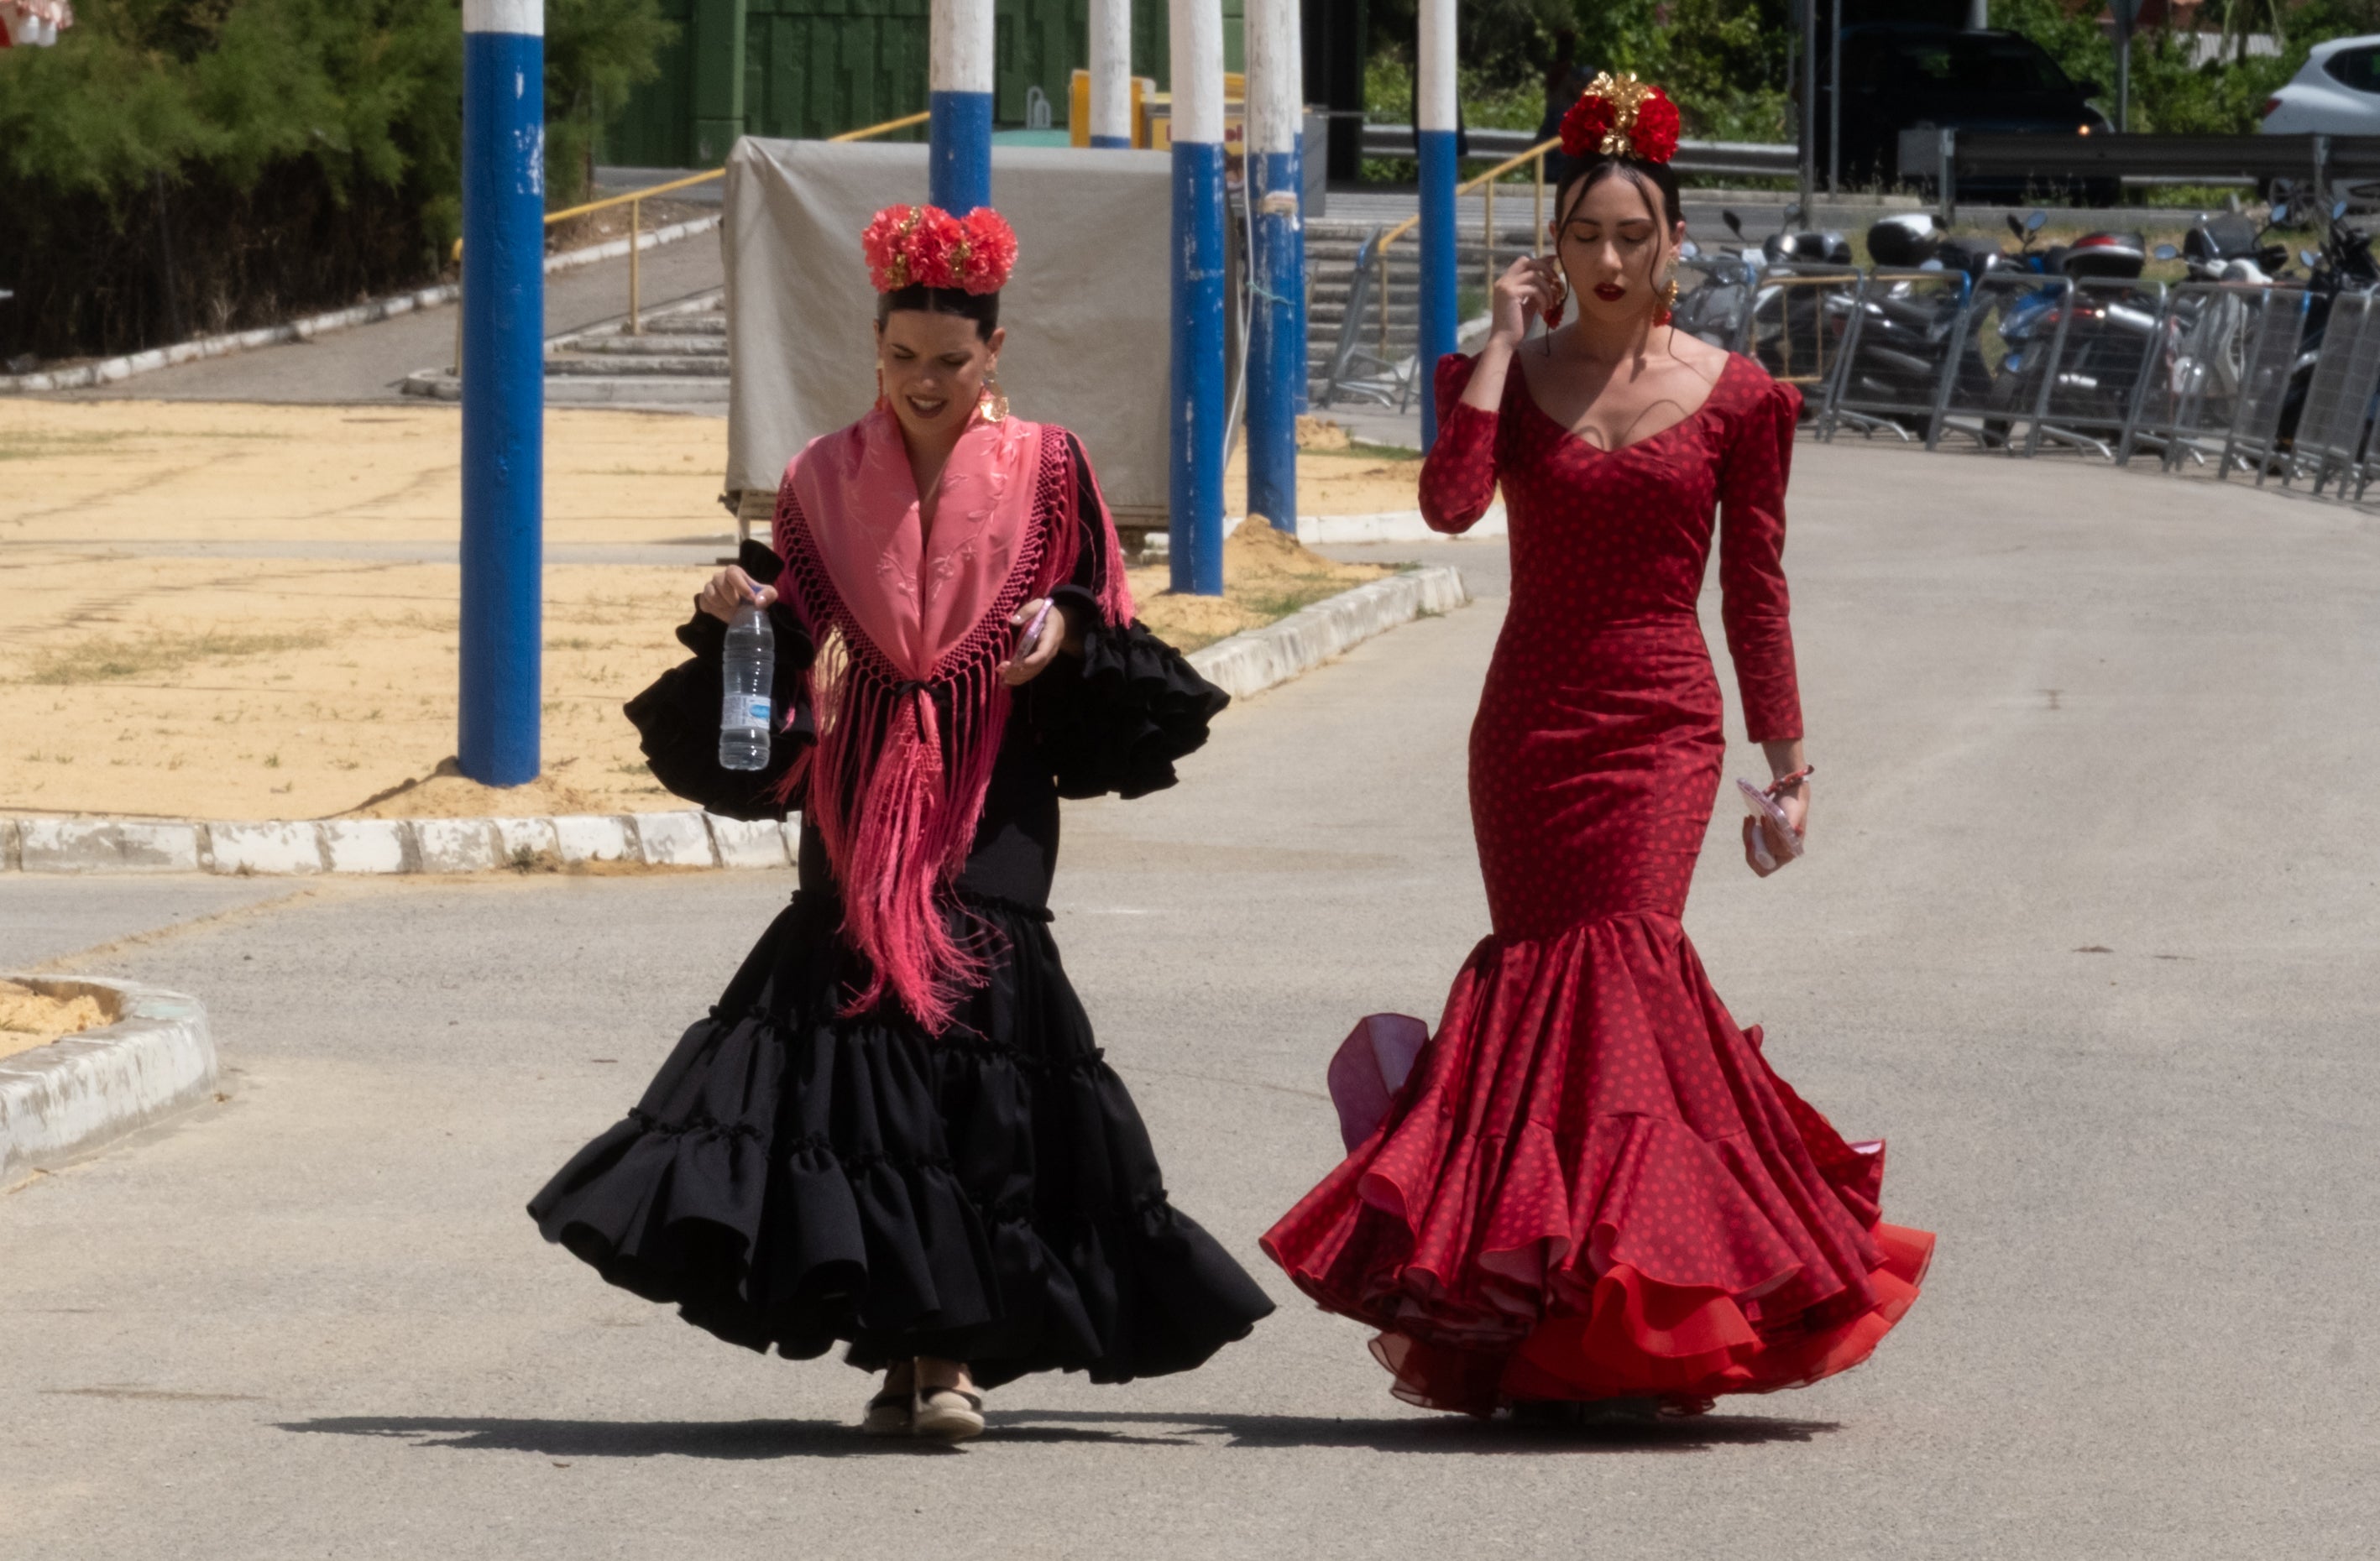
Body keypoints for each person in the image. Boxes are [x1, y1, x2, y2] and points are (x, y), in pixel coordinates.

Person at [531, 201, 1274, 1443]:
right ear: (874, 350)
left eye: (951, 360)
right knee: (866, 1077)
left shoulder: (1051, 464)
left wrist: (1067, 632)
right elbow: (791, 598)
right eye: (902, 358)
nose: (925, 382)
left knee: (971, 1062)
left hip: (994, 785)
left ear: (995, 354)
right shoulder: (822, 476)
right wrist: (736, 597)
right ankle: (908, 1345)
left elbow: (1093, 593)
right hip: (860, 791)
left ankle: (947, 1351)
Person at [1262, 76, 1933, 1422]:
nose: (1611, 262)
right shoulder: (1500, 381)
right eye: (1585, 238)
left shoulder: (1742, 400)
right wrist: (1502, 347)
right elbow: (1452, 508)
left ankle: (1645, 1296)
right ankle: (1555, 1303)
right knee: (1543, 988)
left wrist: (1786, 762)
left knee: (1625, 968)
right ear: (1550, 249)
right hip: (1530, 725)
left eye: (1635, 236)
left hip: (1662, 723)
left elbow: (1755, 594)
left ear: (1674, 245)